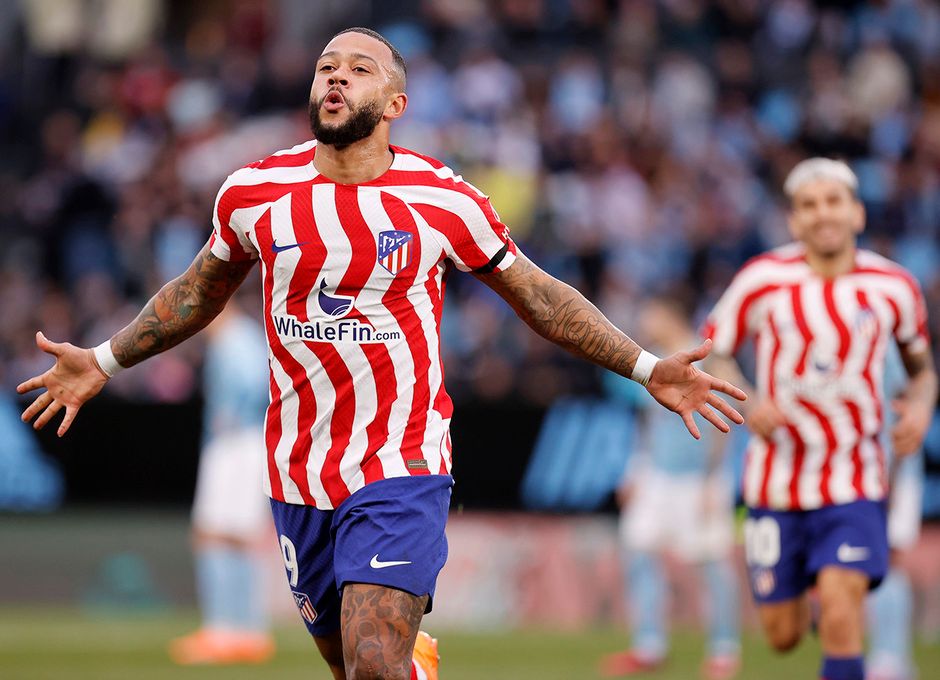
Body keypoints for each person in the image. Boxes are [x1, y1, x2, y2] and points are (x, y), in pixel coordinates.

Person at [17, 27, 746, 680]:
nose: (336, 76)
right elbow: (197, 291)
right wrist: (104, 360)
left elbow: (539, 297)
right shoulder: (253, 192)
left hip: (401, 460)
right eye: (326, 66)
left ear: (396, 104)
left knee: (372, 662)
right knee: (355, 665)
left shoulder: (443, 198)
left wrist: (645, 367)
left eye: (359, 69)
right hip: (299, 468)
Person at [701, 158, 937, 680]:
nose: (822, 214)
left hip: (855, 478)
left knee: (841, 608)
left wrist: (921, 407)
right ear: (794, 220)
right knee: (782, 635)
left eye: (833, 202)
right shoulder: (762, 279)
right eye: (809, 205)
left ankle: (832, 594)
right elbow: (713, 350)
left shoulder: (894, 287)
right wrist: (749, 400)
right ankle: (810, 592)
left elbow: (922, 371)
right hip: (776, 482)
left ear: (857, 213)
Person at [600, 293, 741, 680]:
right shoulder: (653, 361)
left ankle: (724, 649)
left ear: (669, 314)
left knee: (712, 564)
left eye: (651, 315)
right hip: (657, 476)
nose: (645, 324)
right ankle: (650, 645)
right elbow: (649, 423)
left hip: (699, 479)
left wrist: (714, 479)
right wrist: (635, 472)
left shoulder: (708, 356)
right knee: (638, 551)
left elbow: (726, 421)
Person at [168, 293, 276, 665]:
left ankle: (227, 631)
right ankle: (242, 631)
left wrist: (228, 418)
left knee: (217, 533)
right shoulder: (238, 338)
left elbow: (254, 384)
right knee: (231, 536)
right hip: (241, 444)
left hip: (237, 444)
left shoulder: (236, 338)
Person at [866, 344, 924, 680]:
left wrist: (895, 480)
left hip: (894, 474)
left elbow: (905, 412)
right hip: (880, 472)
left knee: (887, 563)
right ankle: (893, 655)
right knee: (879, 564)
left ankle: (890, 656)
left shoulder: (887, 350)